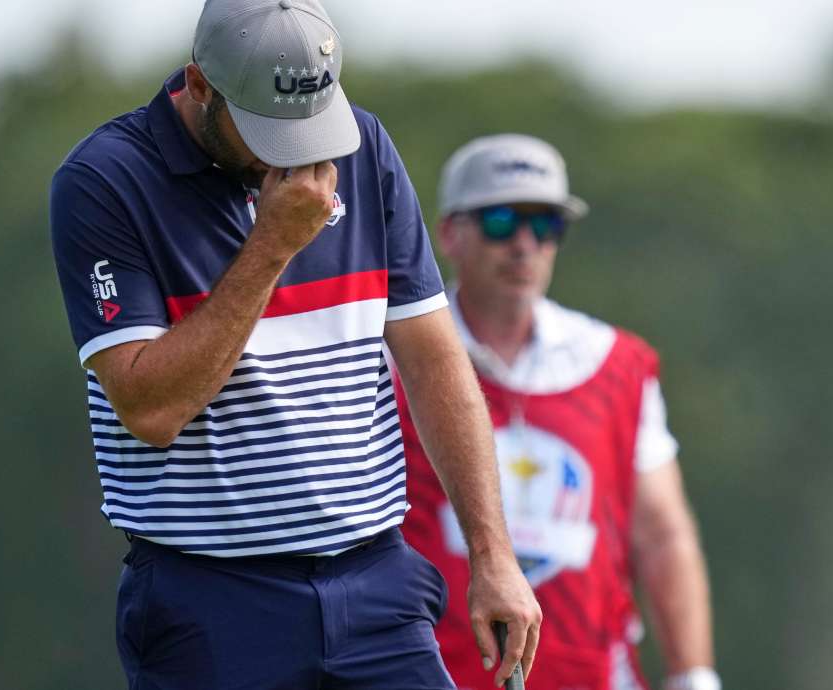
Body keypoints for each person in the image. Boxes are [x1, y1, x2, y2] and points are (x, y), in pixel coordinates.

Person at [48, 2, 540, 688]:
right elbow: (150, 410)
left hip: (376, 583)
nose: (295, 151)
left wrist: (492, 554)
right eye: (265, 129)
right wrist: (273, 246)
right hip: (209, 602)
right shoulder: (104, 181)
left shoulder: (363, 146)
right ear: (199, 85)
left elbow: (433, 361)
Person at [398, 134, 720, 690]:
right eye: (501, 221)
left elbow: (663, 534)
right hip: (429, 674)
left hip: (591, 676)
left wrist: (693, 675)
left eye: (546, 224)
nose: (525, 245)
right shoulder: (390, 354)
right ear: (449, 234)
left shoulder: (617, 363)